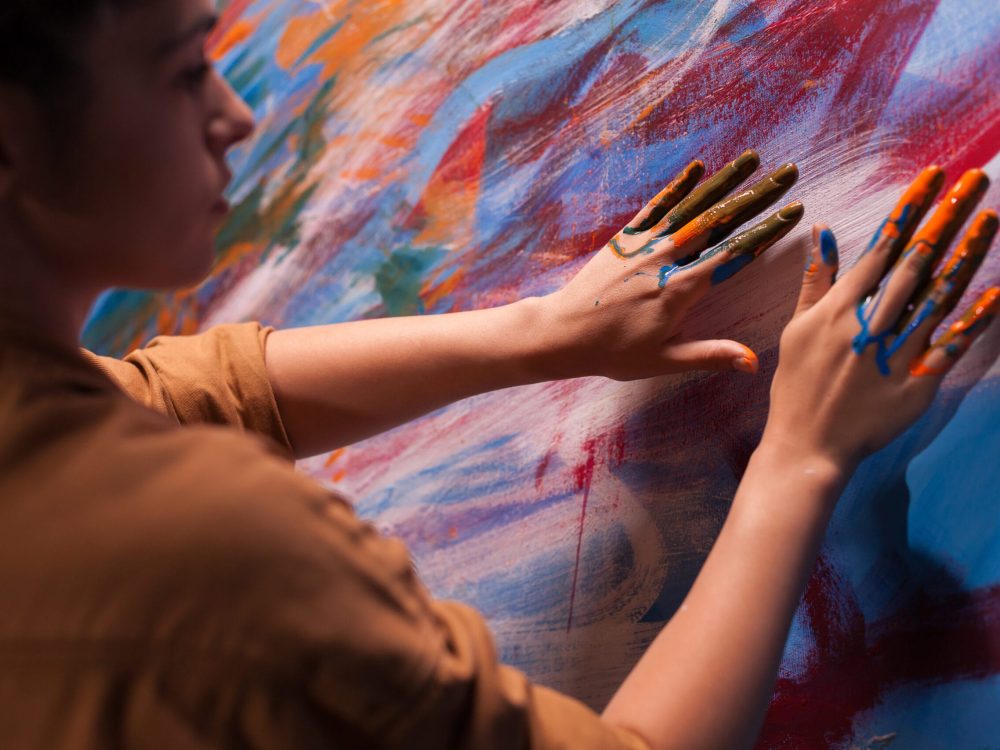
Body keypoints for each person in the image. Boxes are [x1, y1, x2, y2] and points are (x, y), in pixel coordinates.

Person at [0, 0, 995, 748]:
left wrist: (536, 331)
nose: (234, 116)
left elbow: (173, 392)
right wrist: (799, 458)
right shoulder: (206, 552)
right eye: (182, 73)